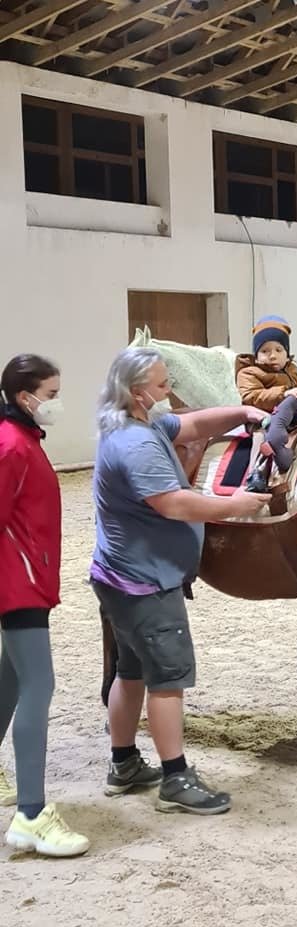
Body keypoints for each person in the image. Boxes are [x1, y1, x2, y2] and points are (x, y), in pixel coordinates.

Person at [91, 347, 270, 815]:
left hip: (120, 577)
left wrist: (241, 410)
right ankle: (176, 778)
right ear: (137, 393)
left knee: (131, 672)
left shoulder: (136, 425)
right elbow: (175, 504)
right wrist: (238, 505)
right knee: (167, 681)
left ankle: (124, 763)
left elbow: (192, 426)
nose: (169, 391)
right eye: (163, 384)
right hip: (145, 583)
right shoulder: (137, 444)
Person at [0, 355, 89, 857]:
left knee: (12, 677)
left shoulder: (25, 439)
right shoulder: (10, 445)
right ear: (24, 396)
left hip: (27, 576)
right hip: (16, 584)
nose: (56, 404)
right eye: (51, 395)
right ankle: (31, 814)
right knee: (39, 683)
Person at [236, 317, 297, 411]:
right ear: (256, 356)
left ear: (287, 356)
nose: (273, 356)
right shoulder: (248, 373)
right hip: (264, 420)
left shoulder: (291, 370)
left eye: (278, 350)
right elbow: (251, 397)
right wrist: (284, 394)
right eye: (265, 351)